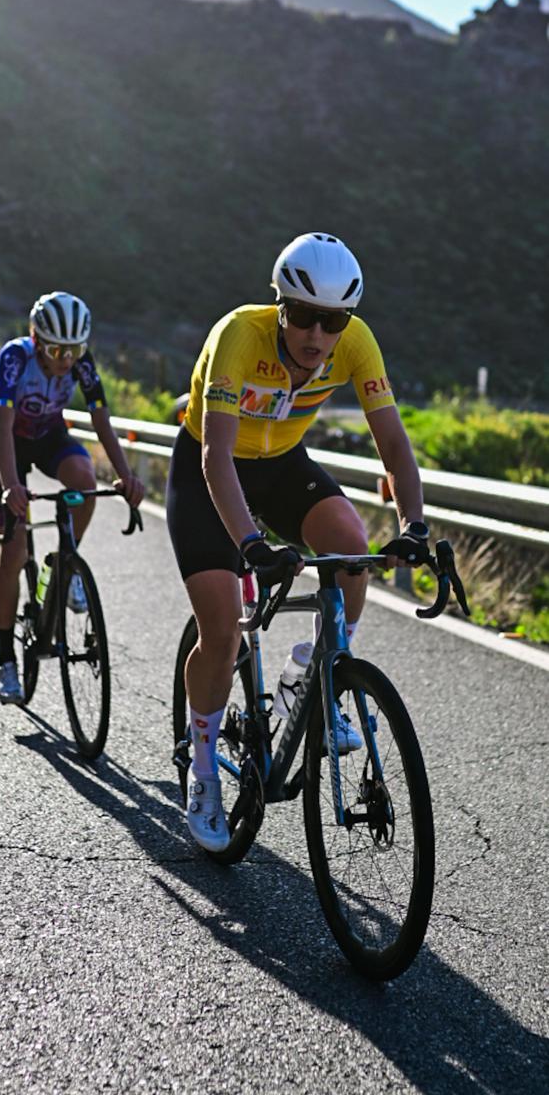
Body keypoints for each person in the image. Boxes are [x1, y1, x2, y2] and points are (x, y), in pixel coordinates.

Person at [166, 232, 431, 852]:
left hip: (283, 463)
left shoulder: (356, 343)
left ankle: (310, 672)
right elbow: (215, 456)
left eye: (333, 320)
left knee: (351, 549)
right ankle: (203, 770)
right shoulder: (239, 334)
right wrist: (251, 544)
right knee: (222, 630)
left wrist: (415, 525)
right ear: (281, 306)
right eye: (306, 316)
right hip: (211, 470)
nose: (318, 334)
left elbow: (393, 443)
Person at [0, 291, 145, 705]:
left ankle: (64, 564)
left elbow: (102, 421)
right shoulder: (15, 357)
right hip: (9, 443)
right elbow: (1, 425)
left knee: (84, 479)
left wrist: (126, 476)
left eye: (75, 350)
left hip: (48, 435)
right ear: (36, 339)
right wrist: (10, 484)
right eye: (57, 350)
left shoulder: (81, 363)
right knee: (14, 550)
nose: (66, 359)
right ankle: (6, 660)